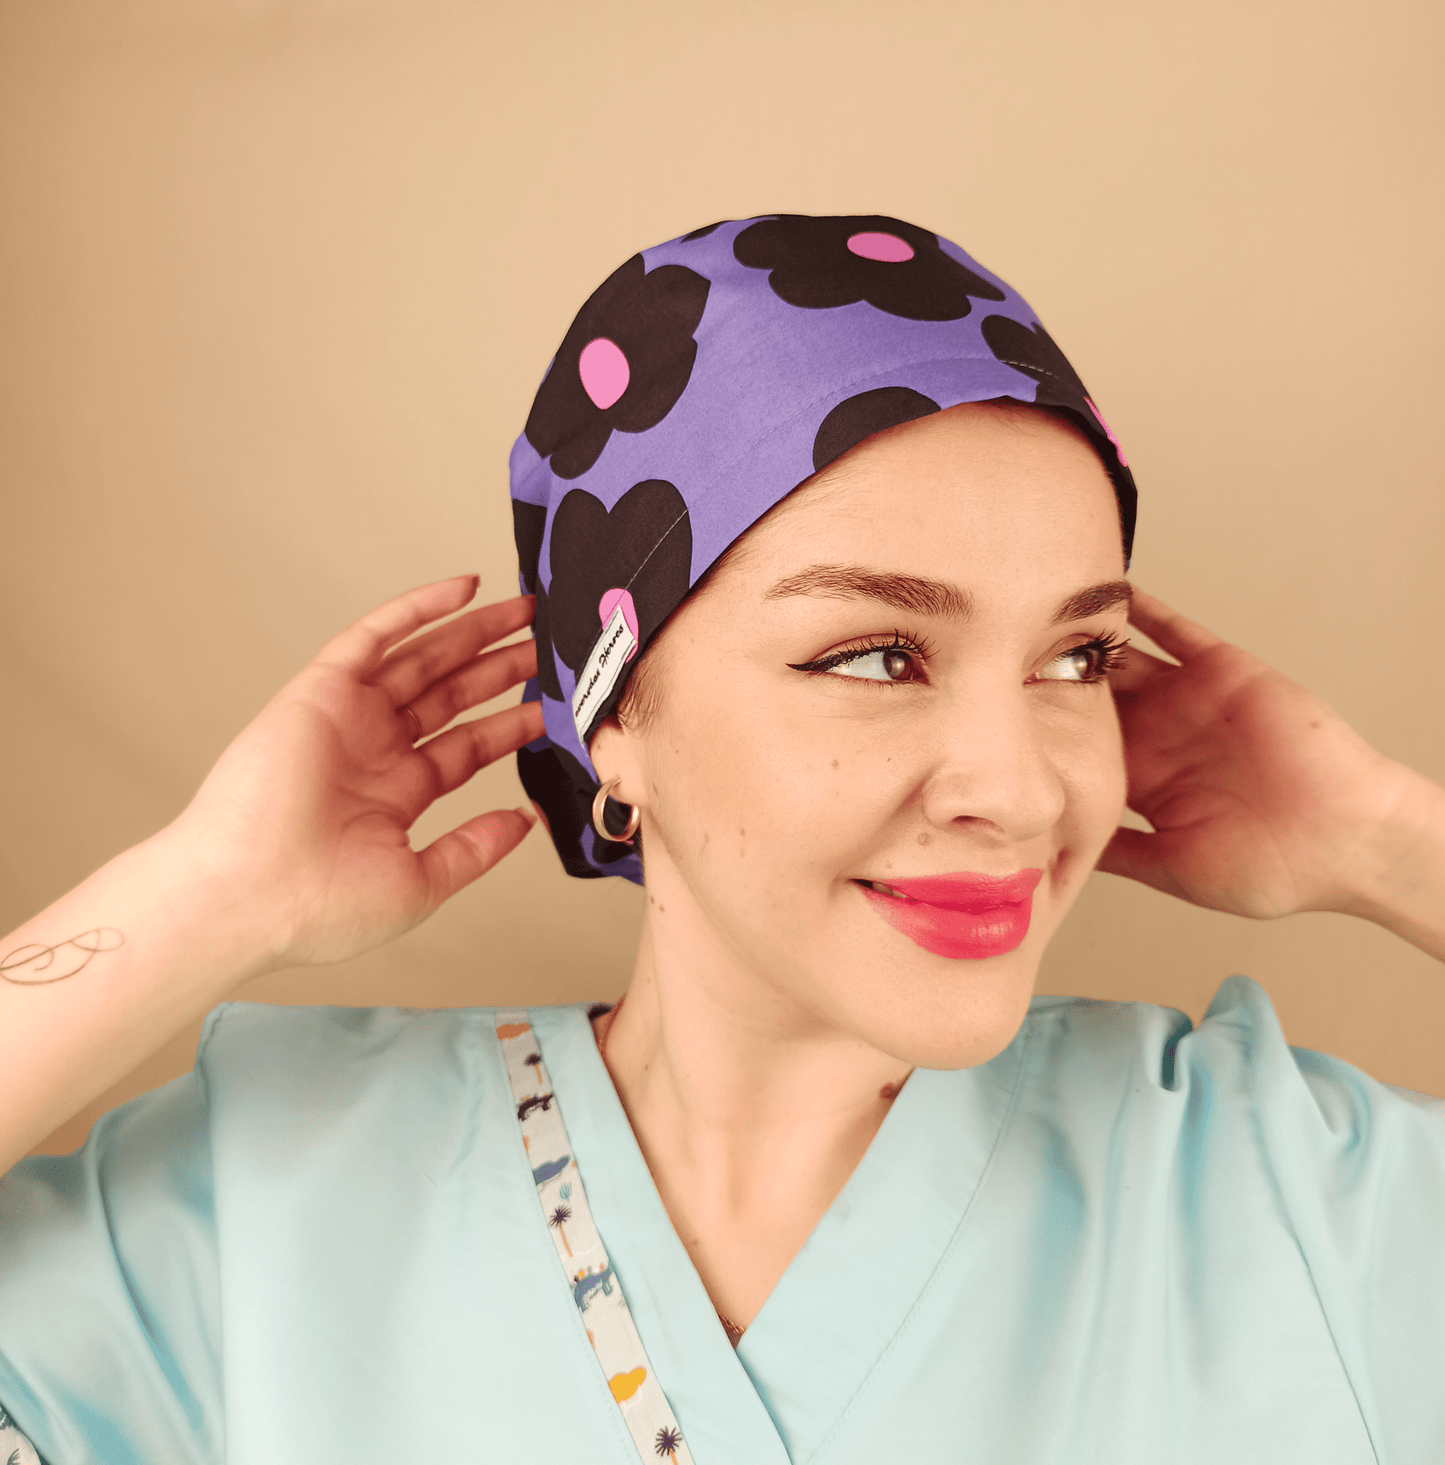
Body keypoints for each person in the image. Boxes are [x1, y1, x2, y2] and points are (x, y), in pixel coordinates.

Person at [1, 214, 1442, 1465]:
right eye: (878, 655)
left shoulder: (1281, 1190)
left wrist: (1381, 836)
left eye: (1077, 659)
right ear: (612, 715)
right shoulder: (264, 1207)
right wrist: (207, 892)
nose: (1019, 789)